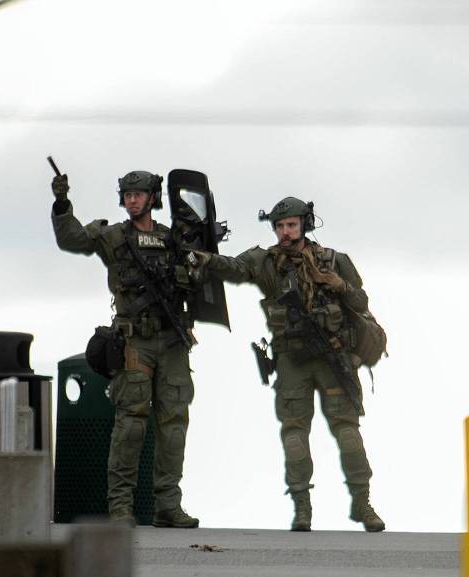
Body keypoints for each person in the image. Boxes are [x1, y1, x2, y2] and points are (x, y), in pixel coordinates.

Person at [194, 197, 385, 532]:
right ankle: (302, 508)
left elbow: (361, 301)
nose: (285, 232)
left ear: (305, 224)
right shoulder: (266, 262)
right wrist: (203, 257)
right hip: (291, 359)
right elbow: (233, 267)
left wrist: (337, 284)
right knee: (295, 433)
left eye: (291, 225)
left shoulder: (334, 261)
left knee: (347, 430)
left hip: (333, 358)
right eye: (280, 226)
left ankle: (362, 503)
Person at [51, 170, 199, 528]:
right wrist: (61, 203)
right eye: (127, 194)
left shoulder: (171, 239)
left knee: (174, 423)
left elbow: (199, 276)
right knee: (130, 425)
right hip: (135, 341)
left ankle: (168, 505)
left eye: (139, 194)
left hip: (172, 340)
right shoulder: (113, 235)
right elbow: (71, 239)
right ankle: (120, 507)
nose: (132, 199)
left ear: (153, 198)